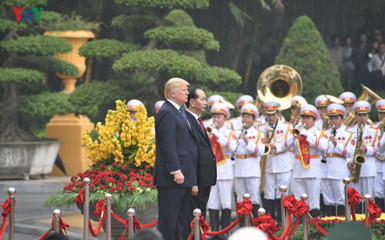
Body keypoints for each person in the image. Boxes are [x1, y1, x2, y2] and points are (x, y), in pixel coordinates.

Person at [153, 77, 199, 240]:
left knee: (181, 220)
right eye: (184, 90)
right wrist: (176, 170)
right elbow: (168, 145)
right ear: (173, 93)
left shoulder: (179, 111)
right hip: (173, 177)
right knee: (168, 221)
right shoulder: (166, 112)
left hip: (184, 175)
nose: (188, 93)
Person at [185, 87, 217, 226]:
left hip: (204, 179)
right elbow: (190, 153)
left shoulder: (197, 120)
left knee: (201, 215)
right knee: (193, 217)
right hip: (195, 180)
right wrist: (194, 181)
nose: (206, 102)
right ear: (192, 102)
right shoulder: (187, 121)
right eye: (202, 99)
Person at [290, 104, 328, 217]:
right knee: (299, 201)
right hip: (298, 170)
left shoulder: (319, 133)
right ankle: (300, 228)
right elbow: (285, 146)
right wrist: (293, 134)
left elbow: (324, 147)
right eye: (303, 117)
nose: (305, 120)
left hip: (312, 171)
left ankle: (313, 228)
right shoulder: (298, 132)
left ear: (314, 120)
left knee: (313, 202)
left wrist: (307, 134)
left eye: (308, 118)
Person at [230, 103, 265, 219]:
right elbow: (231, 148)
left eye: (248, 117)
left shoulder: (258, 134)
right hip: (239, 168)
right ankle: (241, 223)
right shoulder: (235, 133)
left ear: (254, 120)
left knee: (254, 197)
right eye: (244, 116)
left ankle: (255, 223)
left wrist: (247, 141)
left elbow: (260, 151)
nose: (245, 119)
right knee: (240, 197)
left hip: (252, 169)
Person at [261, 101, 294, 223]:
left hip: (283, 164)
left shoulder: (287, 127)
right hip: (269, 165)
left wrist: (276, 146)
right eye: (268, 115)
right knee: (269, 194)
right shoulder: (262, 127)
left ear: (277, 114)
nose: (270, 117)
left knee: (282, 193)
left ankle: (283, 221)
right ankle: (270, 222)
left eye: (273, 114)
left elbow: (290, 142)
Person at [346, 101, 379, 213]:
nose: (362, 118)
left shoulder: (374, 131)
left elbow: (377, 150)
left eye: (364, 115)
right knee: (355, 197)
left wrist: (366, 149)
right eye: (359, 115)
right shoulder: (349, 131)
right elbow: (348, 150)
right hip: (355, 169)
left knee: (368, 197)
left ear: (368, 116)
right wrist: (349, 161)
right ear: (355, 116)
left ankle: (370, 222)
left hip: (368, 168)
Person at [322, 104, 354, 216]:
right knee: (328, 199)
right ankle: (329, 225)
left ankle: (341, 225)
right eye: (331, 118)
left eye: (336, 118)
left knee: (341, 198)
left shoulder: (348, 134)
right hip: (325, 170)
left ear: (342, 119)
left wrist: (337, 144)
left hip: (339, 170)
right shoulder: (324, 133)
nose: (333, 120)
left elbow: (350, 152)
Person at [208, 103, 234, 239]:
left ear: (225, 118)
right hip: (212, 172)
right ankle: (214, 232)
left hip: (225, 171)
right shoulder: (210, 131)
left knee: (225, 202)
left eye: (219, 117)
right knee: (212, 202)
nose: (216, 119)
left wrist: (216, 133)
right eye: (214, 117)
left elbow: (231, 146)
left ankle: (225, 232)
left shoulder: (229, 132)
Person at [372, 99, 385, 212]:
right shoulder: (373, 128)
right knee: (377, 192)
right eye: (381, 113)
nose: (383, 116)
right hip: (376, 163)